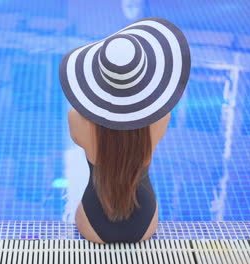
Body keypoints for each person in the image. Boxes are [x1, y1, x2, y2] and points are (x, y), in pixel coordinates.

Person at [59, 17, 191, 243]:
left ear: (99, 77)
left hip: (93, 223)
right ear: (144, 73)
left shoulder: (76, 119)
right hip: (145, 222)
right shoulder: (162, 117)